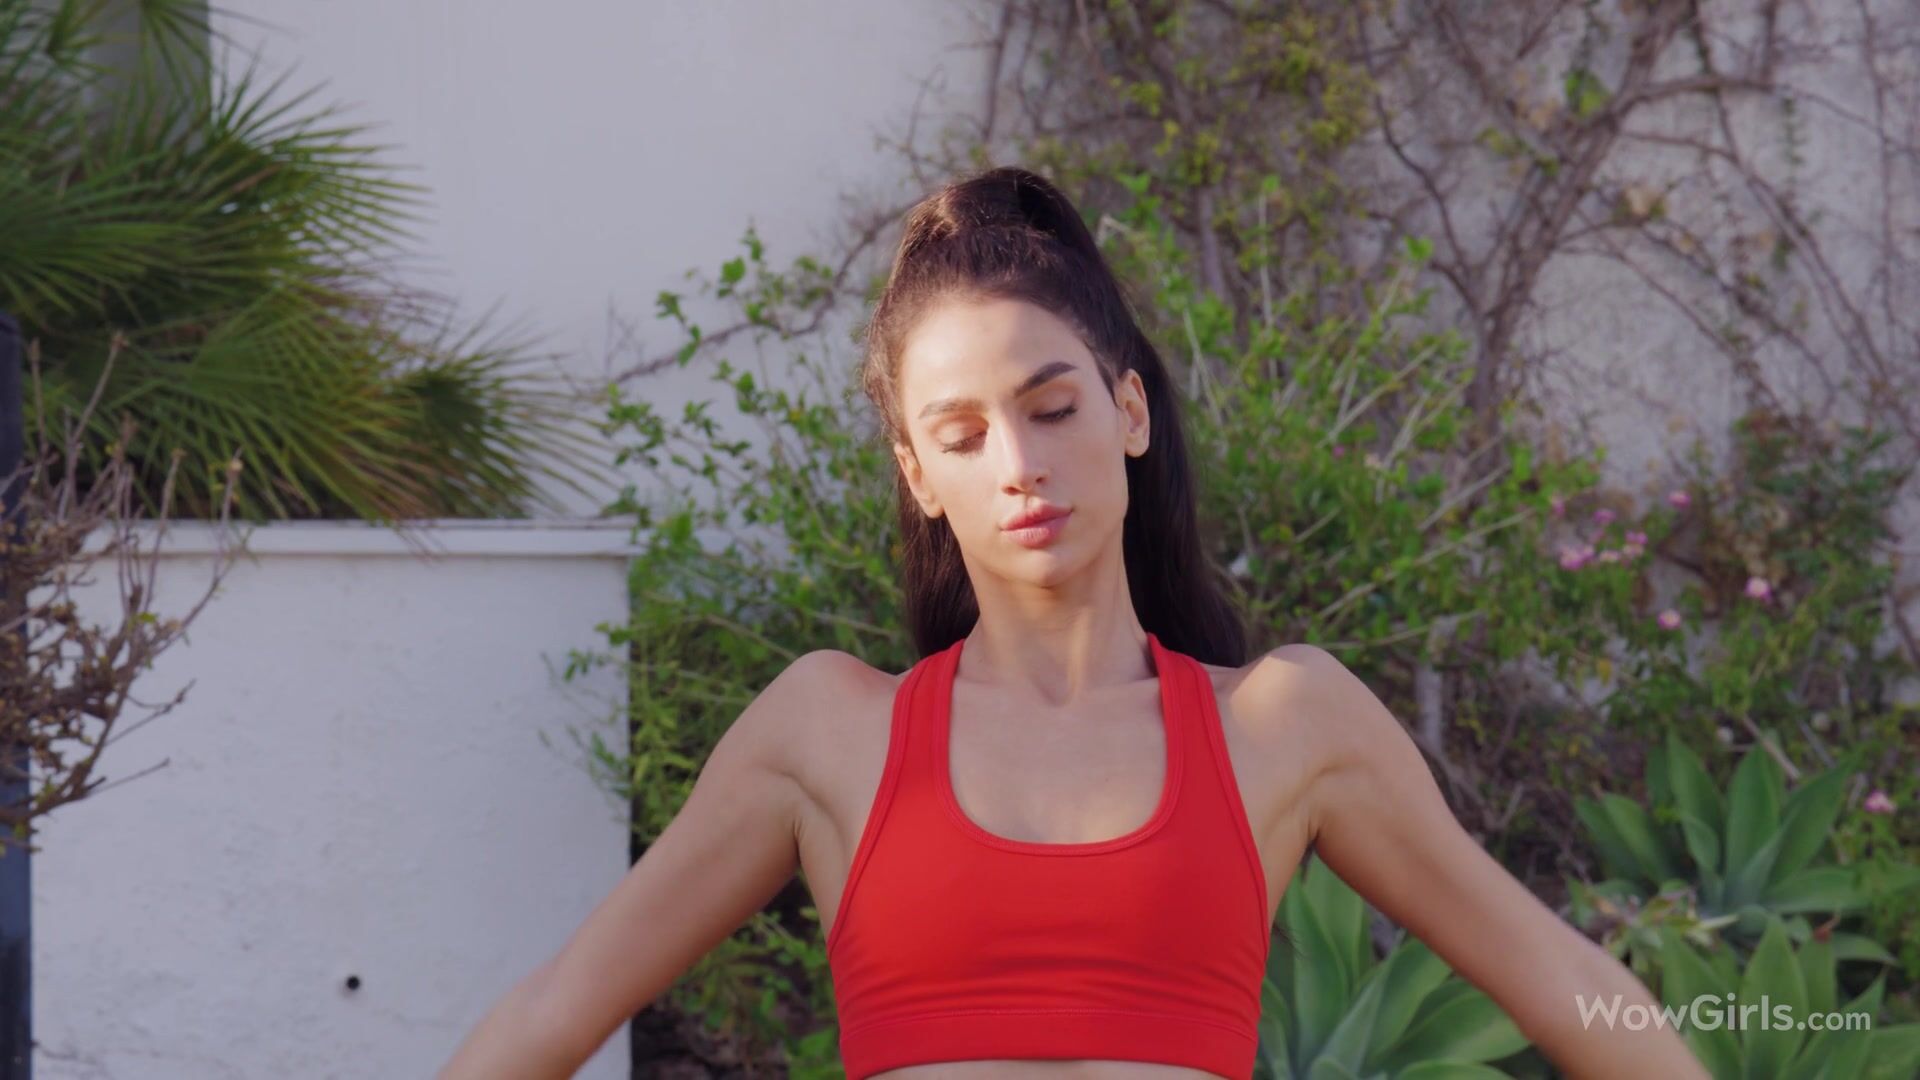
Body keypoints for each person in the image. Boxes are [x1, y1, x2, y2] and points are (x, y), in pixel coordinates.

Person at [437, 166, 1706, 1080]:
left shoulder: (1286, 724)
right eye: (961, 435)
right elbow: (556, 1011)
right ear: (918, 476)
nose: (1019, 466)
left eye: (1052, 408)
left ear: (1128, 412)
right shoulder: (827, 731)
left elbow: (1569, 985)